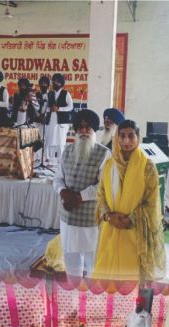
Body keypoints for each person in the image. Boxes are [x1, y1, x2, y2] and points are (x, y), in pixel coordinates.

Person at [93, 119, 166, 282]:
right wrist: (109, 216)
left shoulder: (148, 167)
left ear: (138, 138)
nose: (126, 141)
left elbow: (151, 203)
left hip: (135, 232)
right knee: (106, 281)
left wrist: (130, 219)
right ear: (117, 138)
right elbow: (101, 195)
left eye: (131, 136)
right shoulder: (108, 165)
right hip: (110, 229)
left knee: (131, 283)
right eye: (122, 136)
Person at [53, 109, 111, 279]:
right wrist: (63, 192)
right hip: (68, 218)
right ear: (76, 130)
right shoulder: (67, 150)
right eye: (80, 127)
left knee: (93, 262)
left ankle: (92, 295)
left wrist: (79, 197)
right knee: (71, 261)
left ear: (94, 130)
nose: (84, 131)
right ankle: (73, 293)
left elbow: (104, 185)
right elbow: (57, 178)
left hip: (90, 219)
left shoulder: (103, 153)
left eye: (88, 127)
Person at [43, 73, 73, 165]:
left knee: (60, 142)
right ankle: (48, 160)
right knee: (49, 140)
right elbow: (44, 108)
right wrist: (50, 109)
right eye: (54, 81)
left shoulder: (66, 93)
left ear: (61, 83)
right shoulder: (49, 94)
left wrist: (59, 109)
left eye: (57, 81)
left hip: (61, 122)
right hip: (51, 120)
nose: (55, 83)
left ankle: (60, 162)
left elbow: (70, 107)